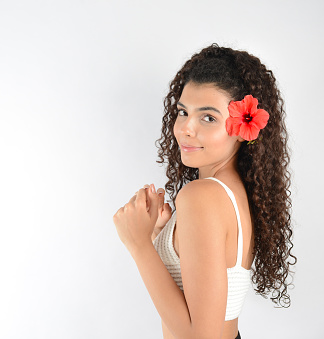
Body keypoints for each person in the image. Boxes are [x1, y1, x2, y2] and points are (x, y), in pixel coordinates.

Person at [113, 43, 296, 339]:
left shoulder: (202, 196)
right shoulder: (232, 191)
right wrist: (163, 235)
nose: (186, 128)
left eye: (208, 117)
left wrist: (138, 245)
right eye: (183, 112)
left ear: (241, 128)